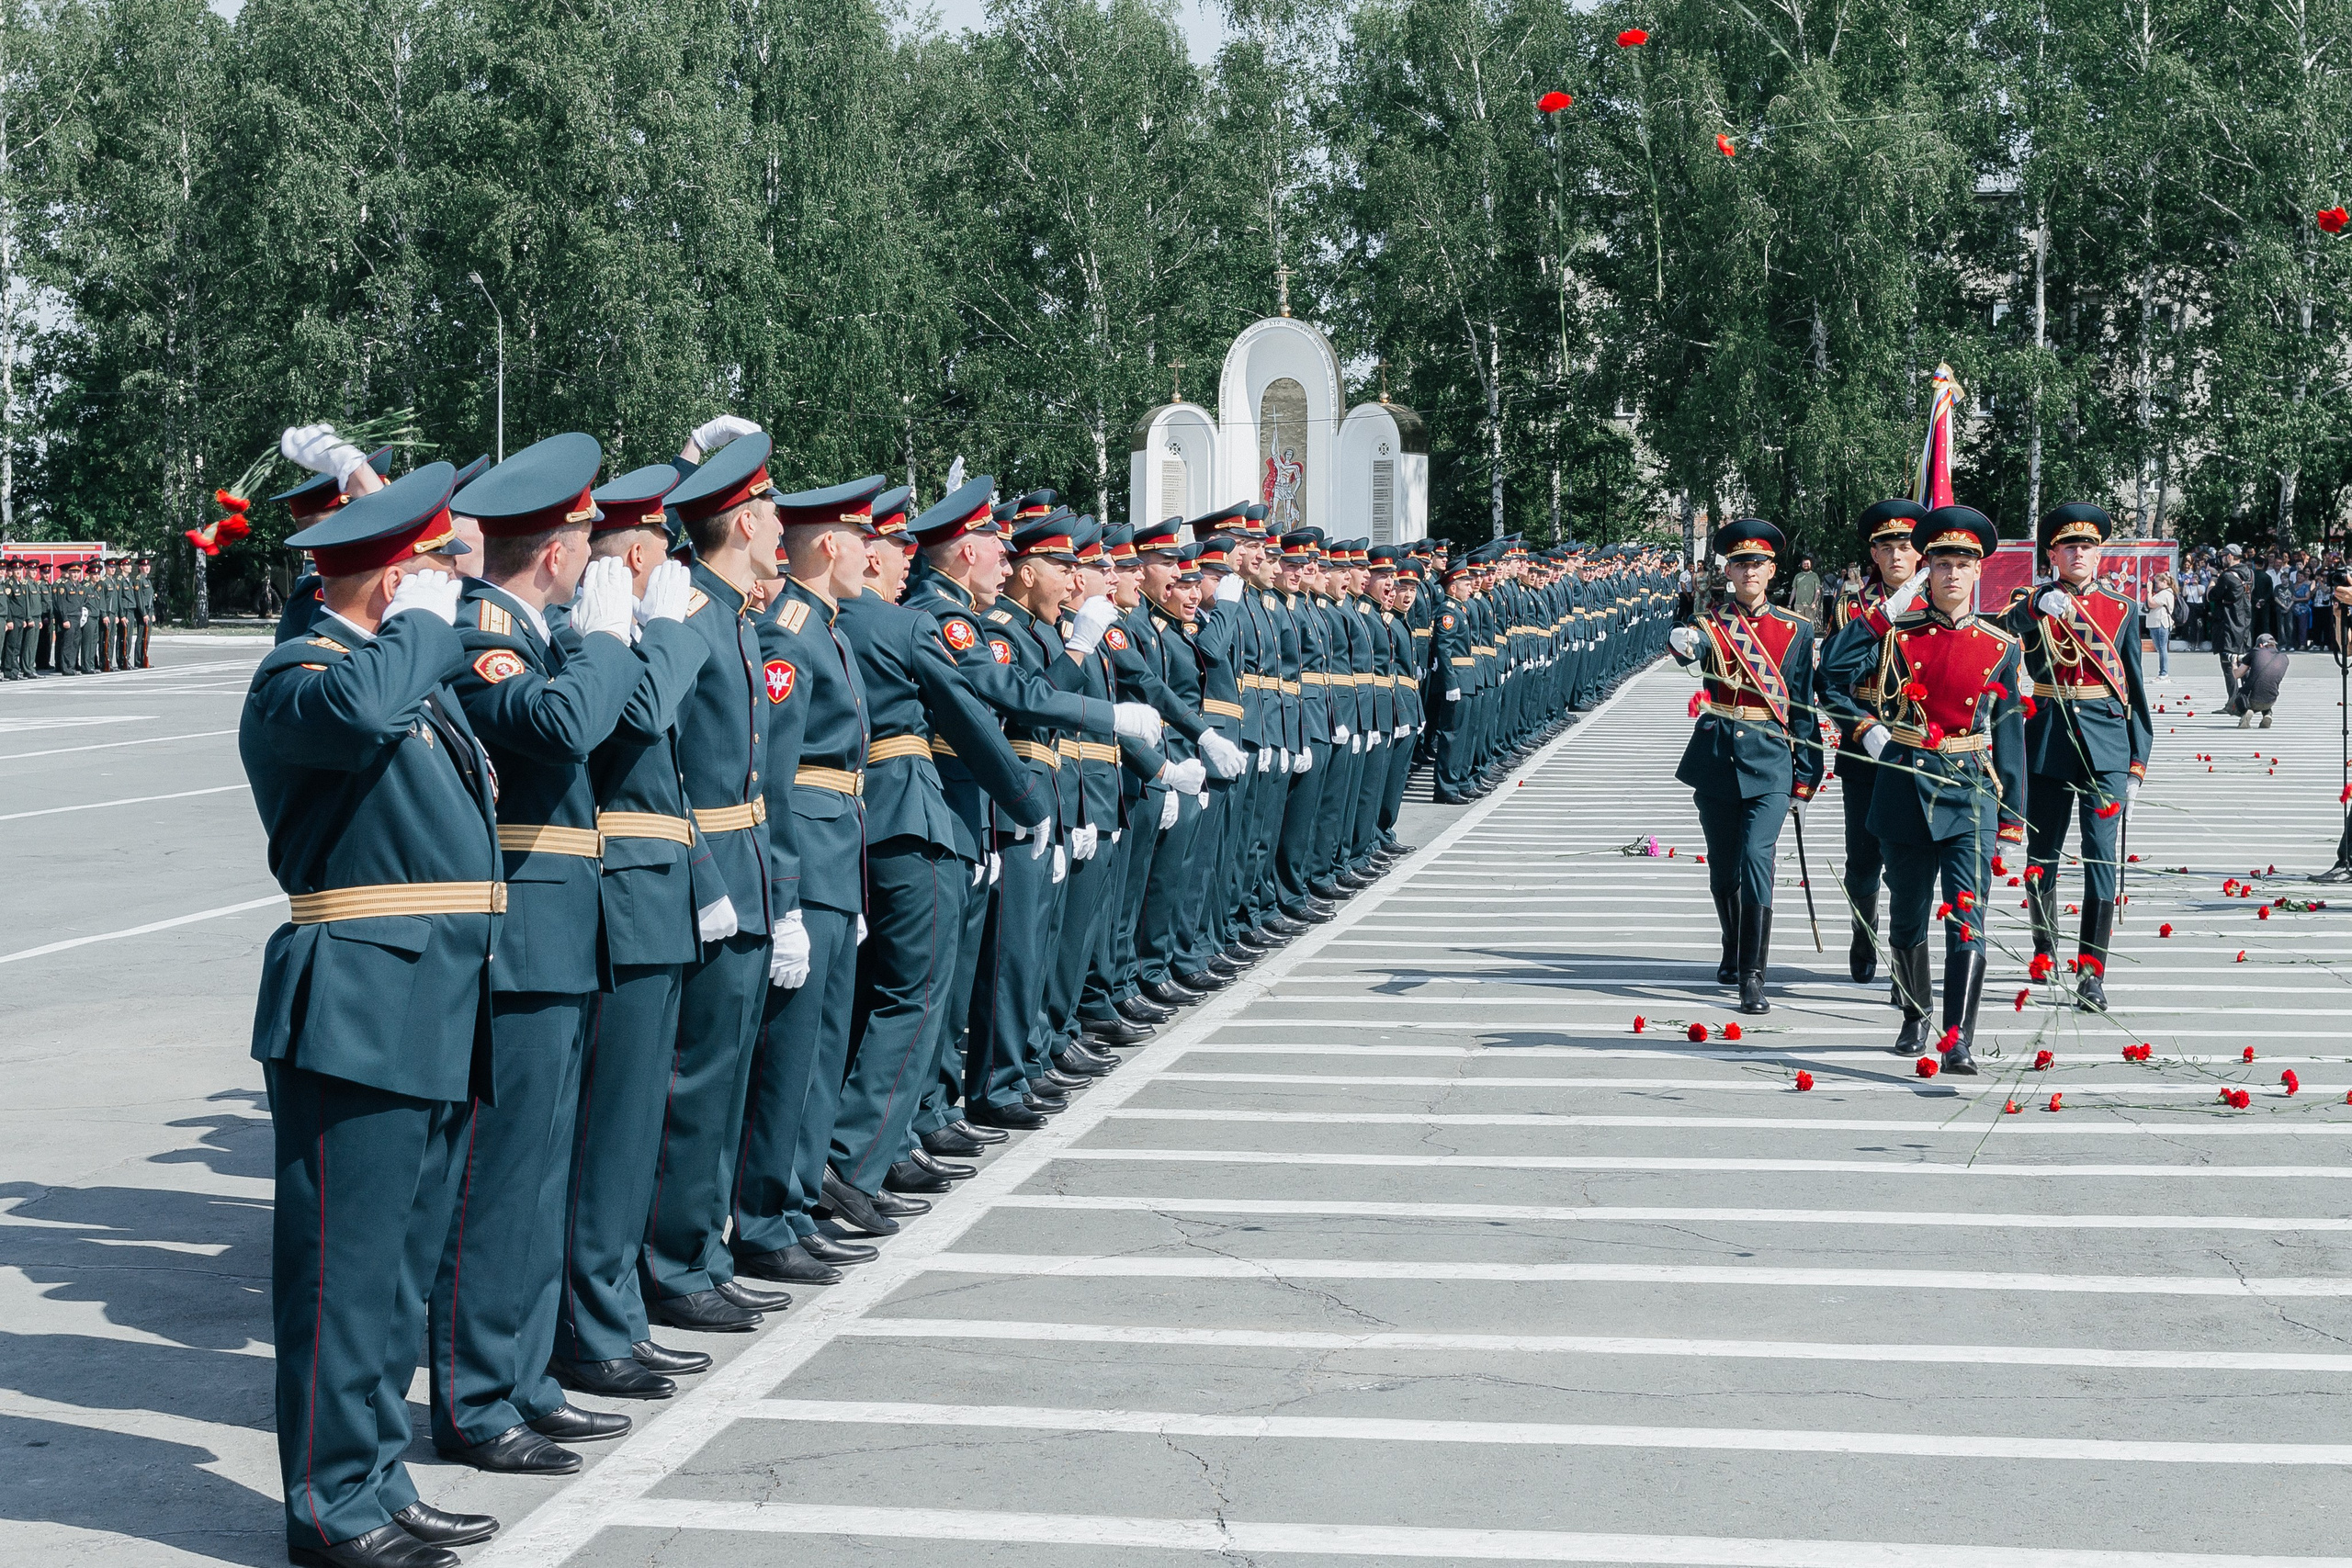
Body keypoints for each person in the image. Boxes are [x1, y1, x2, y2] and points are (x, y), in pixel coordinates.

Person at [240, 461, 504, 1568]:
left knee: (396, 1276)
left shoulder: (397, 676)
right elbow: (360, 708)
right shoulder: (302, 675)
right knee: (340, 1273)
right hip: (356, 992)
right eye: (435, 570)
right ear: (396, 584)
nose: (454, 590)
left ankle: (376, 1476)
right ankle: (325, 1506)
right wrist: (421, 624)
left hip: (433, 993)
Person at [427, 434, 651, 1477]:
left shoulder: (539, 629)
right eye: (582, 537)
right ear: (556, 553)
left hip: (560, 930)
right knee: (499, 1180)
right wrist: (609, 642)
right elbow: (563, 727)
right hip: (517, 935)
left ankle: (522, 1378)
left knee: (541, 1174)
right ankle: (476, 1400)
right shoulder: (485, 635)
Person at [548, 463, 718, 1403]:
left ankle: (612, 1314)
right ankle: (592, 1323)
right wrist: (672, 629)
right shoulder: (601, 633)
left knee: (627, 1133)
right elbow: (644, 714)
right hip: (617, 894)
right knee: (606, 1136)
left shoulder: (629, 632)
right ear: (643, 555)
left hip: (653, 888)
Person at [1821, 504, 2026, 1072]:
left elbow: (2009, 736)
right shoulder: (1896, 632)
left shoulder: (2001, 645)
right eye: (1940, 563)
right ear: (1925, 570)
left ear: (1979, 570)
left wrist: (2012, 815)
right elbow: (1831, 677)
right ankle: (1915, 1011)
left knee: (1968, 915)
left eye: (1964, 564)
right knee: (1908, 916)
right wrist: (1867, 729)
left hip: (1968, 793)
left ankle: (1957, 1035)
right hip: (1906, 785)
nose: (1952, 574)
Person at [1666, 518, 1823, 1014]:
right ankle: (1732, 944)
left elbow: (1801, 706)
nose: (1749, 571)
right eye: (1740, 563)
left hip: (1770, 760)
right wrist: (1680, 642)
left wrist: (1806, 774)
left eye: (1757, 563)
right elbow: (1683, 650)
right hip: (1716, 757)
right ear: (1728, 571)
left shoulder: (1796, 630)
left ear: (1772, 571)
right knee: (1722, 869)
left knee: (1758, 859)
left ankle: (1754, 973)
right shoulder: (1708, 625)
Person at [2006, 502, 2151, 1012]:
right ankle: (2045, 947)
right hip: (2047, 742)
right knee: (2040, 860)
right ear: (2053, 553)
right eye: (2069, 546)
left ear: (2100, 553)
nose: (2079, 554)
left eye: (2087, 546)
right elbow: (2005, 626)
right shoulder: (2033, 600)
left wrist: (2138, 760)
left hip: (2107, 747)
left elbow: (2132, 685)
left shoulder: (2122, 608)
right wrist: (2037, 605)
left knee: (2100, 860)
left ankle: (2092, 972)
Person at [1818, 499, 1926, 985]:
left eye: (1906, 545)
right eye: (1887, 546)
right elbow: (1830, 682)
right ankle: (1864, 930)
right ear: (1874, 554)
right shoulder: (1850, 607)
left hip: (1920, 746)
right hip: (1865, 748)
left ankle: (1905, 966)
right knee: (1862, 861)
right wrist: (1861, 726)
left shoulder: (1935, 605)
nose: (1898, 555)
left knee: (1908, 864)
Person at [2210, 544, 2256, 707]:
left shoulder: (2226, 576)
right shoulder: (2250, 573)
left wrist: (2213, 580)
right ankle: (2249, 698)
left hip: (2228, 624)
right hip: (2245, 623)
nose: (2221, 559)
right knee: (2245, 662)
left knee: (2228, 663)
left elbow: (2212, 595)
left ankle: (2233, 702)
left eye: (2223, 556)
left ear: (2229, 556)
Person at [2235, 633, 2289, 728]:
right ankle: (2268, 714)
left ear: (2260, 645)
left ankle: (2247, 712)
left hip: (2253, 700)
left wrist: (2234, 663)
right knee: (2267, 685)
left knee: (2240, 694)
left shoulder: (2256, 651)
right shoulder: (2284, 658)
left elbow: (2237, 674)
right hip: (2271, 700)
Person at [2144, 570, 2177, 678]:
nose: (2156, 585)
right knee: (2160, 649)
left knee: (2162, 648)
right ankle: (2163, 672)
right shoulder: (2163, 593)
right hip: (2156, 623)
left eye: (2157, 582)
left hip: (2160, 623)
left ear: (2164, 582)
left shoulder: (2165, 593)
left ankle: (2164, 673)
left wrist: (2149, 591)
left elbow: (2151, 604)